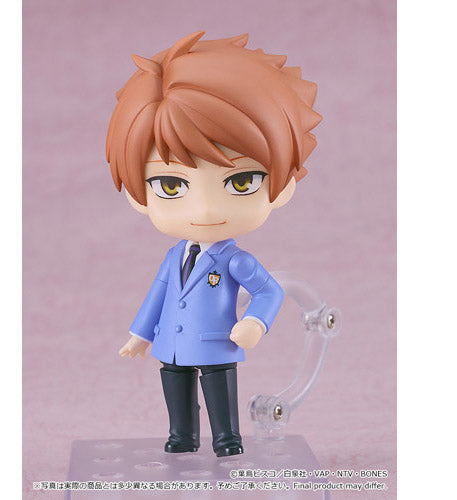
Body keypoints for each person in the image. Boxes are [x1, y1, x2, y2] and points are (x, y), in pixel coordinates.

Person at [106, 31, 321, 457]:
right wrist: (140, 334)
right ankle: (182, 436)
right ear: (137, 194)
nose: (204, 210)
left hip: (217, 342)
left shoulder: (235, 259)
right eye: (171, 185)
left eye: (241, 182)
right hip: (171, 343)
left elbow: (269, 291)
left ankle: (227, 439)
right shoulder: (174, 255)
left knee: (219, 392)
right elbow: (158, 295)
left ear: (282, 186)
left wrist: (255, 323)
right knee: (175, 387)